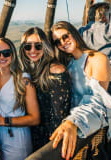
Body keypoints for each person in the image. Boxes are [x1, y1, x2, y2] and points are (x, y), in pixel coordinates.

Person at [26, 21, 111, 160]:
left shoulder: (97, 59)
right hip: (71, 124)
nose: (62, 43)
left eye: (65, 36)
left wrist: (72, 122)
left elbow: (98, 101)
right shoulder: (69, 64)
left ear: (74, 33)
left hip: (87, 126)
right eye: (57, 42)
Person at [18, 27, 72, 156]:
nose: (33, 51)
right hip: (34, 135)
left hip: (50, 141)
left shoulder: (56, 71)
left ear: (46, 47)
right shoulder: (33, 69)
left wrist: (51, 150)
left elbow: (59, 116)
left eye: (38, 46)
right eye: (28, 46)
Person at [0, 37, 40, 160]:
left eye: (6, 53)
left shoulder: (24, 80)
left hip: (17, 141)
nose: (1, 57)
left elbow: (35, 118)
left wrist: (3, 121)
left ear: (13, 54)